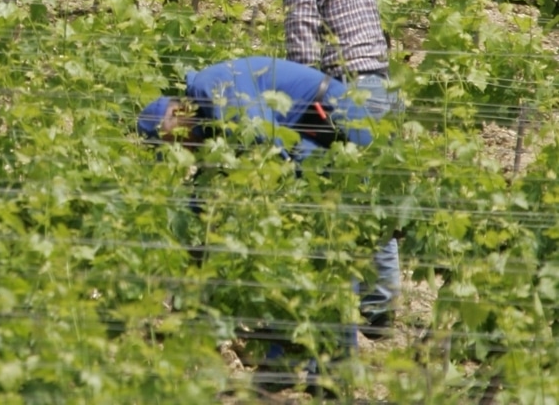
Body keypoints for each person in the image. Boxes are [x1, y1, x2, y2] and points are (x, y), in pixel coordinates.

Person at [137, 57, 399, 350]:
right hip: (309, 140)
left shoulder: (209, 89)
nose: (178, 151)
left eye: (171, 142)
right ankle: (304, 358)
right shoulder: (209, 126)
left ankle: (316, 361)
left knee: (324, 245)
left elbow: (265, 142)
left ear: (176, 114)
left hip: (336, 127)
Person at [275, 0, 401, 333]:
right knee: (369, 197)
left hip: (344, 95)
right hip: (381, 90)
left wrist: (283, 114)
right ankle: (380, 307)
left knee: (322, 191)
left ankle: (329, 302)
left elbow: (303, 58)